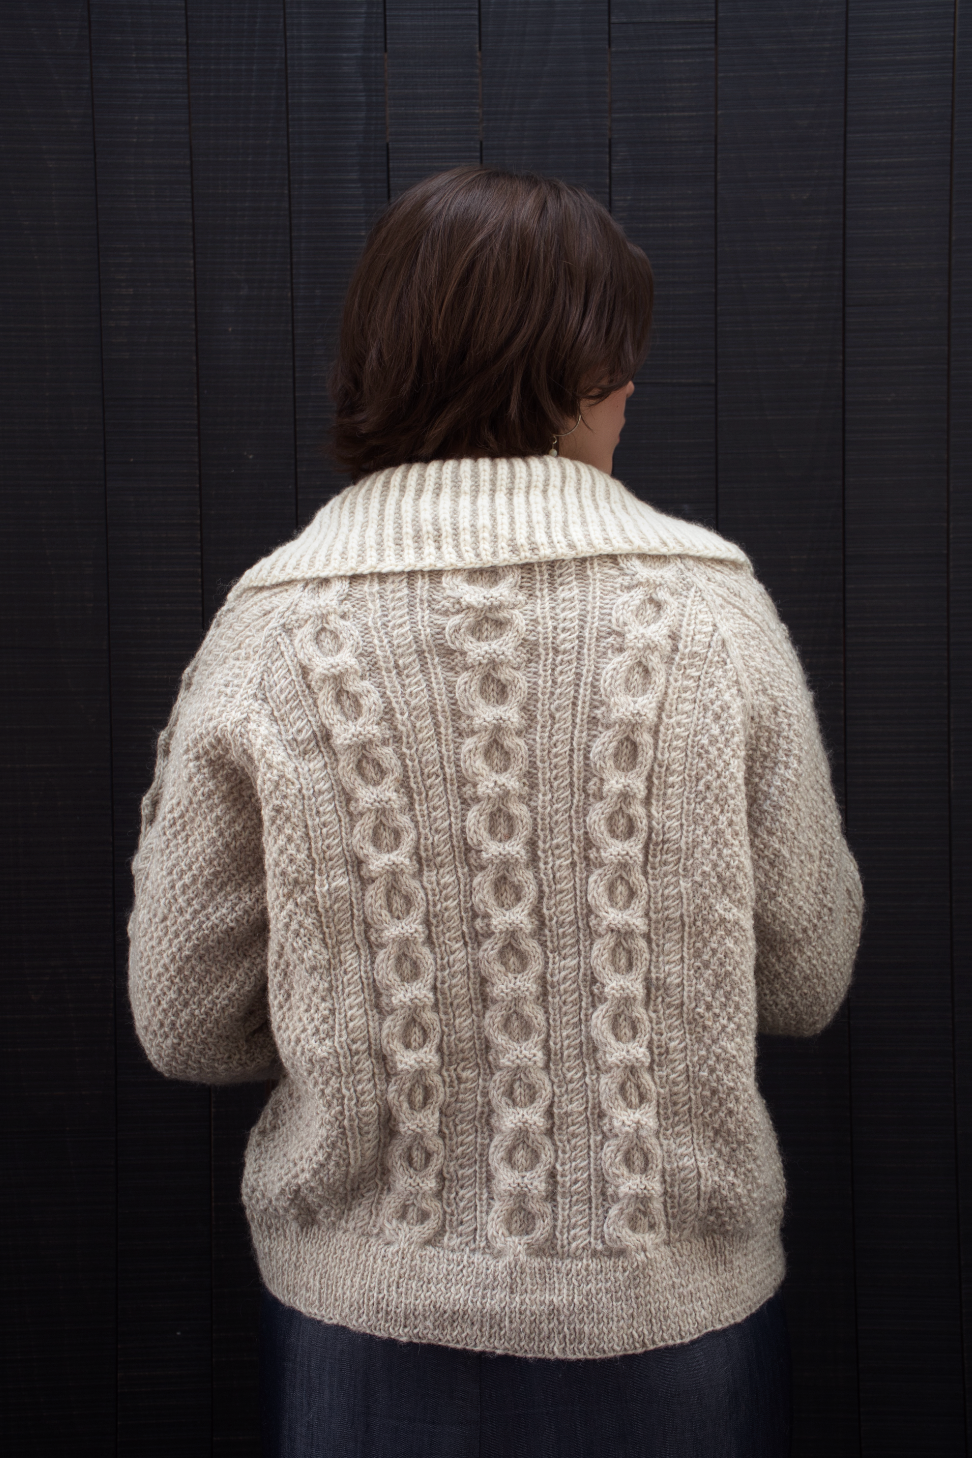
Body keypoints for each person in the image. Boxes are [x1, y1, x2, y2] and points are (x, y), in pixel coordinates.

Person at [127, 167, 863, 1457]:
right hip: (675, 1329)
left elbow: (185, 1020)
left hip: (366, 1335)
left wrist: (379, 1021)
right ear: (572, 369)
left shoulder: (271, 626)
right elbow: (806, 976)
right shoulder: (714, 607)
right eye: (617, 354)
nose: (634, 386)